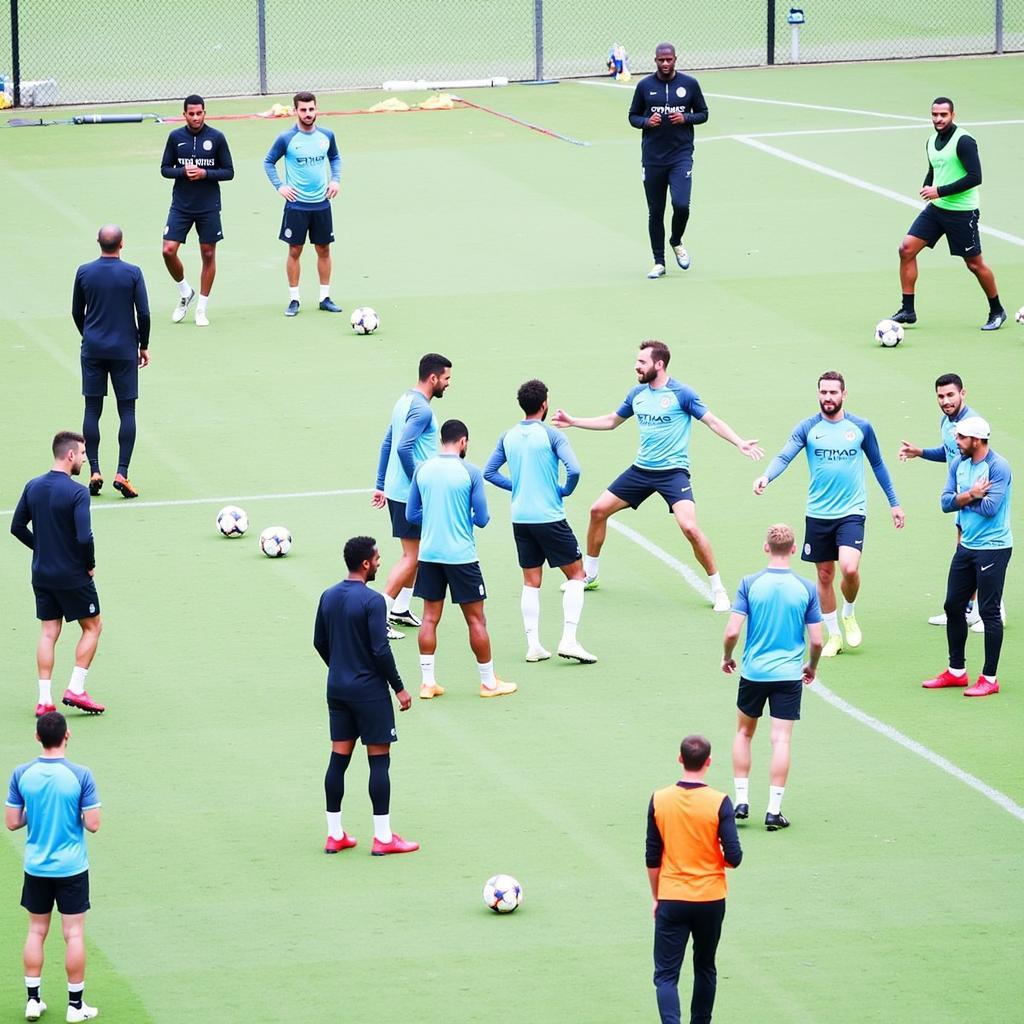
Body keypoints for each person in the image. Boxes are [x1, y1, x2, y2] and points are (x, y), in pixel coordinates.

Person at [551, 341, 763, 612]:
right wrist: (574, 421)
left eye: (642, 362)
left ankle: (718, 590)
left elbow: (712, 420)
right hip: (641, 470)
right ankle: (589, 575)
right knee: (597, 510)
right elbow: (612, 421)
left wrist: (739, 442)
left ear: (659, 364)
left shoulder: (681, 393)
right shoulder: (637, 394)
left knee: (690, 528)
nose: (636, 366)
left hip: (673, 473)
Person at [754, 371, 904, 657]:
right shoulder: (808, 427)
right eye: (823, 392)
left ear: (844, 395)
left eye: (833, 393)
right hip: (818, 513)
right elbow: (785, 455)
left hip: (851, 511)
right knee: (824, 575)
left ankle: (849, 612)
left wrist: (894, 503)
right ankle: (834, 634)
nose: (828, 398)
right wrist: (766, 477)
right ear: (818, 394)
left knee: (849, 568)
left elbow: (878, 465)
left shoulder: (860, 427)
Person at [313, 536, 418, 855]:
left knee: (338, 760)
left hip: (337, 689)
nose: (380, 562)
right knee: (379, 762)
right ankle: (383, 838)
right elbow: (380, 649)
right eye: (377, 558)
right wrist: (399, 687)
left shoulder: (328, 596)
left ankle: (335, 835)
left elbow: (319, 641)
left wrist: (341, 666)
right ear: (365, 564)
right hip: (369, 693)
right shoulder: (373, 601)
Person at [483, 378, 596, 664]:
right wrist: (563, 490)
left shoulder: (507, 436)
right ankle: (569, 640)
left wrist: (519, 487)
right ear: (544, 404)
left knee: (531, 581)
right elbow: (575, 469)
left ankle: (534, 645)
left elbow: (490, 472)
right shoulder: (552, 436)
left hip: (521, 519)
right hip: (549, 516)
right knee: (577, 574)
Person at [721, 524, 822, 831]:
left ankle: (741, 801)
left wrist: (727, 657)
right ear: (793, 549)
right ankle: (773, 810)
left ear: (766, 547)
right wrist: (811, 666)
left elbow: (732, 631)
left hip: (753, 672)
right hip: (788, 675)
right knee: (781, 739)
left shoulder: (749, 583)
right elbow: (817, 641)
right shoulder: (806, 588)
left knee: (743, 734)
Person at [406, 419, 517, 699]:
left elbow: (411, 515)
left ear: (441, 440)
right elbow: (482, 519)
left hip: (430, 555)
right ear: (463, 441)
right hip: (461, 557)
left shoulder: (422, 469)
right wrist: (463, 518)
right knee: (476, 620)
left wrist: (434, 518)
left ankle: (427, 683)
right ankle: (489, 683)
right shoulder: (470, 471)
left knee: (429, 619)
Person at [6, 711, 102, 1022]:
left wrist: (35, 813)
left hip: (36, 867)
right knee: (73, 934)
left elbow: (11, 822)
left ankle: (32, 1000)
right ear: (67, 735)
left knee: (36, 931)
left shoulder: (22, 774)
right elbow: (94, 824)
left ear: (37, 737)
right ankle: (76, 1007)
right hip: (72, 868)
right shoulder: (81, 775)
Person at [647, 734, 741, 1024]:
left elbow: (652, 856)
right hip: (710, 899)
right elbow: (734, 857)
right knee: (705, 967)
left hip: (672, 897)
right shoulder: (720, 802)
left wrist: (656, 896)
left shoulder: (660, 799)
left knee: (665, 975)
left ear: (680, 759)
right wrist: (714, 855)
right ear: (709, 762)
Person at [10, 432, 106, 717]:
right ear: (71, 455)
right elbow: (84, 536)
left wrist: (41, 548)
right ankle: (76, 688)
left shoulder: (33, 486)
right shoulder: (77, 492)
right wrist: (88, 563)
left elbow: (16, 527)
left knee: (49, 632)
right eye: (83, 455)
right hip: (72, 574)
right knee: (93, 626)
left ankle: (44, 700)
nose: (85, 460)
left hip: (41, 573)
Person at [891, 97, 1006, 331]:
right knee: (906, 249)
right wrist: (928, 186)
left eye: (943, 115)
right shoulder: (932, 140)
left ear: (953, 115)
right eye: (934, 114)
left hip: (962, 213)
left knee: (974, 264)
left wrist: (939, 191)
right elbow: (935, 168)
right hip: (936, 210)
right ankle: (908, 309)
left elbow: (975, 177)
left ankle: (997, 310)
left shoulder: (964, 141)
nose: (938, 119)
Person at [898, 373, 1001, 631]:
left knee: (983, 553)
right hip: (961, 499)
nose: (946, 401)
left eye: (950, 395)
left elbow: (984, 458)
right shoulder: (947, 422)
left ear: (962, 393)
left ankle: (994, 609)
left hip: (977, 498)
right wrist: (920, 452)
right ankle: (963, 609)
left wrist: (978, 495)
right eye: (941, 396)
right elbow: (950, 453)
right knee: (965, 555)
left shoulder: (973, 424)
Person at [922, 417, 1012, 697]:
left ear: (977, 440)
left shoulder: (998, 467)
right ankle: (957, 672)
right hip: (967, 546)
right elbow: (945, 503)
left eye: (961, 438)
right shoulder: (958, 464)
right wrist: (971, 493)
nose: (956, 442)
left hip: (993, 547)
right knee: (953, 606)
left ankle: (989, 678)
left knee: (989, 612)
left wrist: (964, 499)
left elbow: (990, 507)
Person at [371, 353, 452, 641]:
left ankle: (401, 608)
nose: (447, 384)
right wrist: (421, 485)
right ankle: (379, 614)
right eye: (446, 379)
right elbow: (403, 448)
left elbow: (387, 443)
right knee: (412, 555)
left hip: (397, 489)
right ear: (433, 378)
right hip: (409, 494)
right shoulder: (423, 411)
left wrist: (380, 483)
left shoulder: (403, 400)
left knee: (417, 553)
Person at [71, 224, 151, 499]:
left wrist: (89, 335)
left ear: (98, 242)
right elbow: (144, 313)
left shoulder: (84, 272)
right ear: (122, 244)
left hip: (92, 349)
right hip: (124, 350)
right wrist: (144, 345)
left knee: (92, 409)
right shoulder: (133, 273)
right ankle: (122, 472)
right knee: (126, 411)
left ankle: (94, 470)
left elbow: (76, 311)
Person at [627, 43, 708, 280]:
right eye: (661, 60)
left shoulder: (689, 84)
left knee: (681, 204)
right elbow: (632, 116)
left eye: (669, 60)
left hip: (680, 156)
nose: (665, 64)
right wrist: (645, 122)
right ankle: (659, 262)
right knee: (656, 211)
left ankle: (676, 240)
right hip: (652, 158)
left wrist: (685, 117)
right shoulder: (644, 86)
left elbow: (703, 114)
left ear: (675, 60)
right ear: (655, 60)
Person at [263, 91, 343, 317]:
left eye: (311, 109)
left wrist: (335, 180)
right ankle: (294, 299)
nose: (308, 114)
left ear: (316, 109)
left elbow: (335, 158)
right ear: (296, 111)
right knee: (295, 250)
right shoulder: (286, 138)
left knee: (324, 249)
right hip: (297, 205)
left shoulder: (326, 135)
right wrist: (280, 186)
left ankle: (324, 297)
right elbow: (268, 162)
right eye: (303, 110)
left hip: (321, 204)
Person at [160, 93, 234, 327]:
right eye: (190, 114)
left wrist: (205, 174)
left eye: (199, 113)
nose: (195, 118)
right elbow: (164, 168)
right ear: (184, 115)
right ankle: (185, 291)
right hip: (181, 206)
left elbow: (229, 172)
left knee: (208, 254)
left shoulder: (217, 138)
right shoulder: (175, 137)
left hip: (208, 206)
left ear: (204, 112)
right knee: (168, 250)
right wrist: (182, 172)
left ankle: (201, 308)